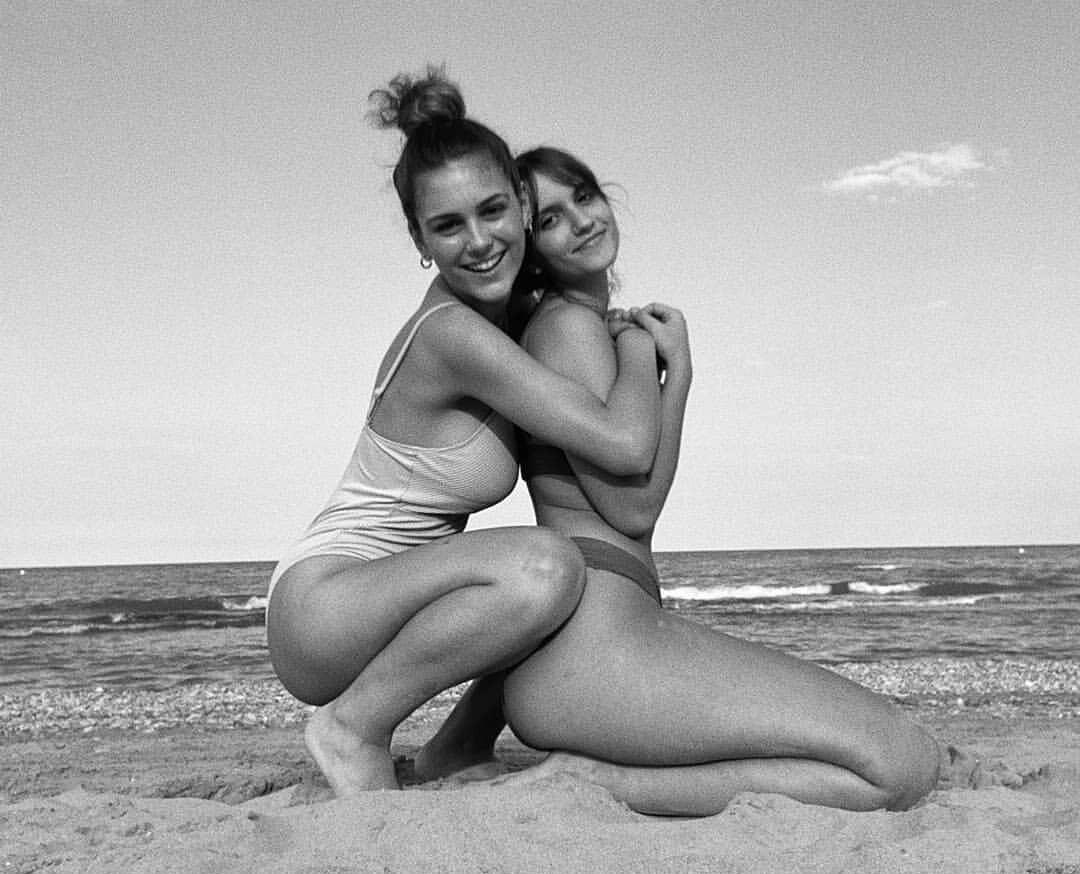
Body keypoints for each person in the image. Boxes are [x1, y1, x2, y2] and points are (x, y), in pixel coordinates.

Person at [426, 146, 940, 815]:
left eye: (585, 195)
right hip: (595, 657)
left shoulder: (578, 327)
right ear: (531, 247)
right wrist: (667, 364)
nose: (581, 220)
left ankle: (575, 770)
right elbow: (632, 508)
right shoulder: (570, 329)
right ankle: (587, 782)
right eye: (550, 219)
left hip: (600, 643)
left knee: (883, 752)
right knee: (899, 765)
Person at [265, 73, 662, 796]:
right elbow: (625, 446)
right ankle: (351, 727)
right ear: (419, 239)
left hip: (375, 599)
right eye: (448, 226)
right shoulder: (455, 335)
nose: (479, 242)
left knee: (559, 570)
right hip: (324, 608)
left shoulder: (502, 319)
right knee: (544, 567)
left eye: (492, 211)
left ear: (520, 204)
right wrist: (644, 346)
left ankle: (458, 746)